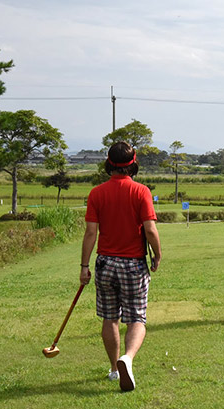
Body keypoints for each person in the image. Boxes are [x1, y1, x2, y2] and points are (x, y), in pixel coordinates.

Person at [80, 141, 162, 391]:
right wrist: (157, 255)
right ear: (133, 163)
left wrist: (84, 266)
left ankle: (115, 369)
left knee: (109, 318)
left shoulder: (97, 193)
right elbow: (150, 229)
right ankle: (127, 358)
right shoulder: (141, 191)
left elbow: (90, 233)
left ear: (109, 163)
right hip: (133, 265)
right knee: (136, 318)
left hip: (105, 263)